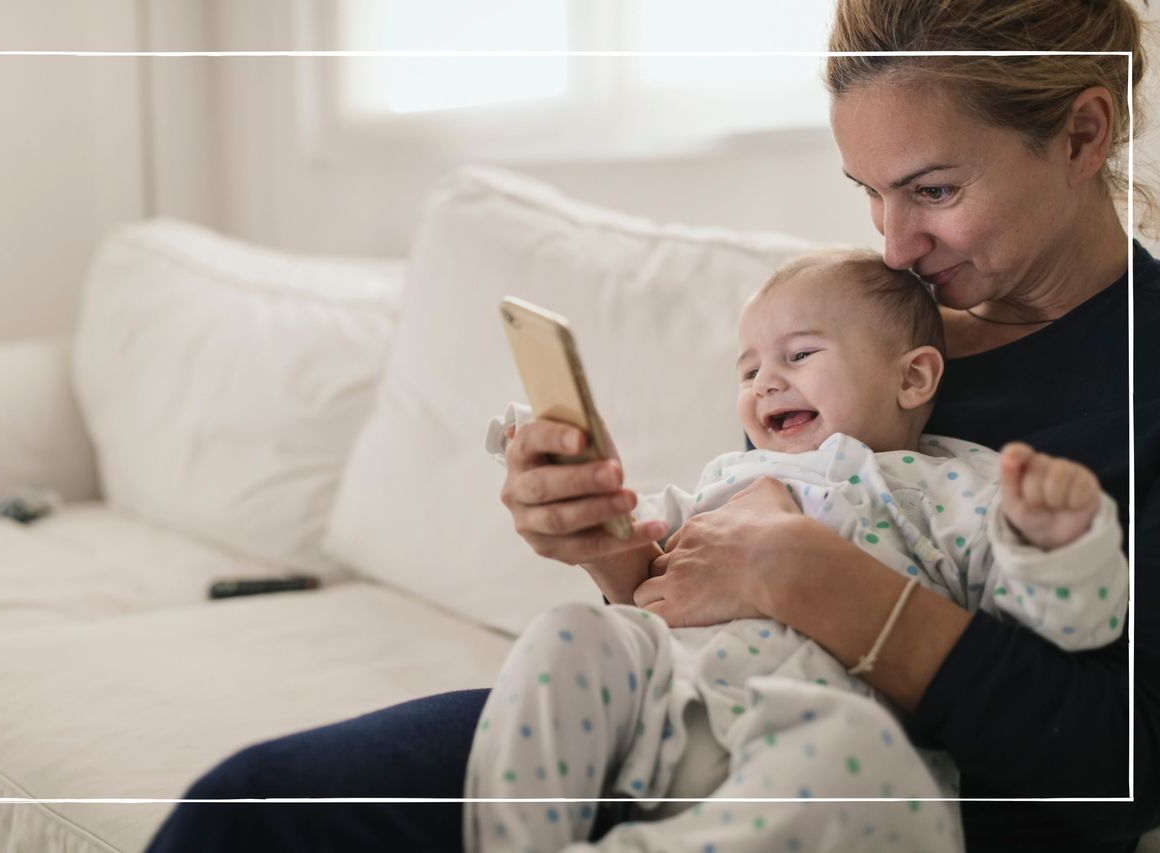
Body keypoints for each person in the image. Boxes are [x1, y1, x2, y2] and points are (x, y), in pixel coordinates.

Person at [145, 1, 1160, 850]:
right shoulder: (856, 325)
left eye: (933, 191)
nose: (892, 245)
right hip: (676, 710)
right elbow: (724, 556)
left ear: (1080, 133)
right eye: (868, 194)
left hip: (851, 794)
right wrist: (609, 548)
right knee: (248, 813)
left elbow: (1116, 767)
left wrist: (815, 581)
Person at [464, 250, 1127, 852]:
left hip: (807, 756)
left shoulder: (950, 484)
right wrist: (588, 503)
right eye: (749, 369)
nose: (764, 383)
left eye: (799, 355)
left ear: (913, 377)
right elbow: (645, 576)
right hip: (675, 712)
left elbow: (1062, 623)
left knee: (857, 757)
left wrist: (1056, 538)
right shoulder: (732, 476)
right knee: (573, 632)